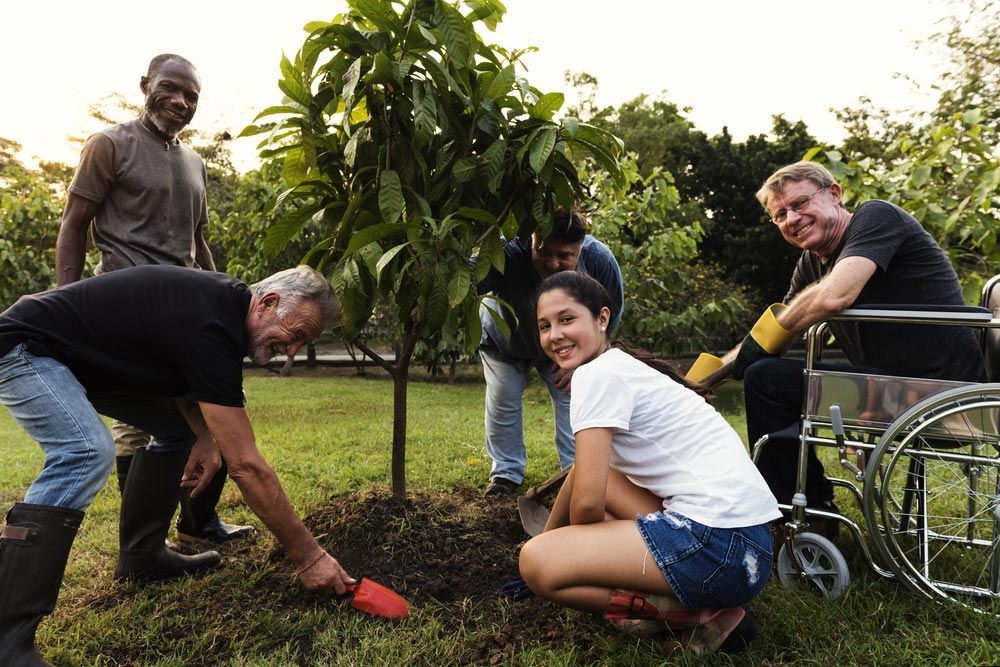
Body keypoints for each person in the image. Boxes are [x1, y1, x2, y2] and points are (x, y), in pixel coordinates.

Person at [0, 265, 354, 666]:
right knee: (84, 451)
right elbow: (247, 467)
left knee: (177, 432)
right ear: (269, 302)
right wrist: (309, 557)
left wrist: (204, 435)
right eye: (295, 335)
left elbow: (185, 377)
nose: (291, 350)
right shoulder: (211, 321)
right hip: (25, 347)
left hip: (83, 362)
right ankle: (6, 639)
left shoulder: (224, 311)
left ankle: (142, 556)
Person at [513, 271, 780, 655]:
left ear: (602, 318)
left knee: (537, 563)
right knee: (574, 514)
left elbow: (587, 505)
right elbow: (588, 477)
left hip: (717, 546)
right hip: (749, 546)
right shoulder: (619, 365)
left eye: (567, 319)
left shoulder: (596, 376)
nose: (555, 334)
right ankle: (701, 599)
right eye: (544, 326)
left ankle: (692, 616)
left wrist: (556, 550)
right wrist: (551, 535)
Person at [55, 53, 252, 542]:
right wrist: (67, 305)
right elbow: (74, 226)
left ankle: (200, 522)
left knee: (215, 409)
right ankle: (145, 538)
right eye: (170, 88)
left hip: (188, 314)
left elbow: (198, 241)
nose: (180, 101)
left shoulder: (194, 162)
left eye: (191, 96)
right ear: (145, 85)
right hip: (127, 311)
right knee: (138, 425)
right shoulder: (109, 145)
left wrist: (228, 300)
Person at [727, 161, 987, 511]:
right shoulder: (811, 262)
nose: (791, 219)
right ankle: (811, 508)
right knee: (766, 376)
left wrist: (769, 337)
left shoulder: (877, 217)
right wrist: (703, 379)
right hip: (894, 389)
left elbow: (835, 295)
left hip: (944, 393)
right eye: (780, 215)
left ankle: (801, 513)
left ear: (834, 194)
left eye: (800, 204)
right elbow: (774, 331)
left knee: (766, 380)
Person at [477, 209, 623, 495]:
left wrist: (585, 360)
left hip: (566, 349)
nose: (553, 263)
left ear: (580, 249)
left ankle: (574, 473)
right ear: (533, 239)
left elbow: (611, 312)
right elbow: (467, 277)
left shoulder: (599, 260)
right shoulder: (508, 252)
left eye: (565, 256)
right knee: (503, 399)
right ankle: (505, 475)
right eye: (544, 251)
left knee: (575, 405)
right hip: (505, 340)